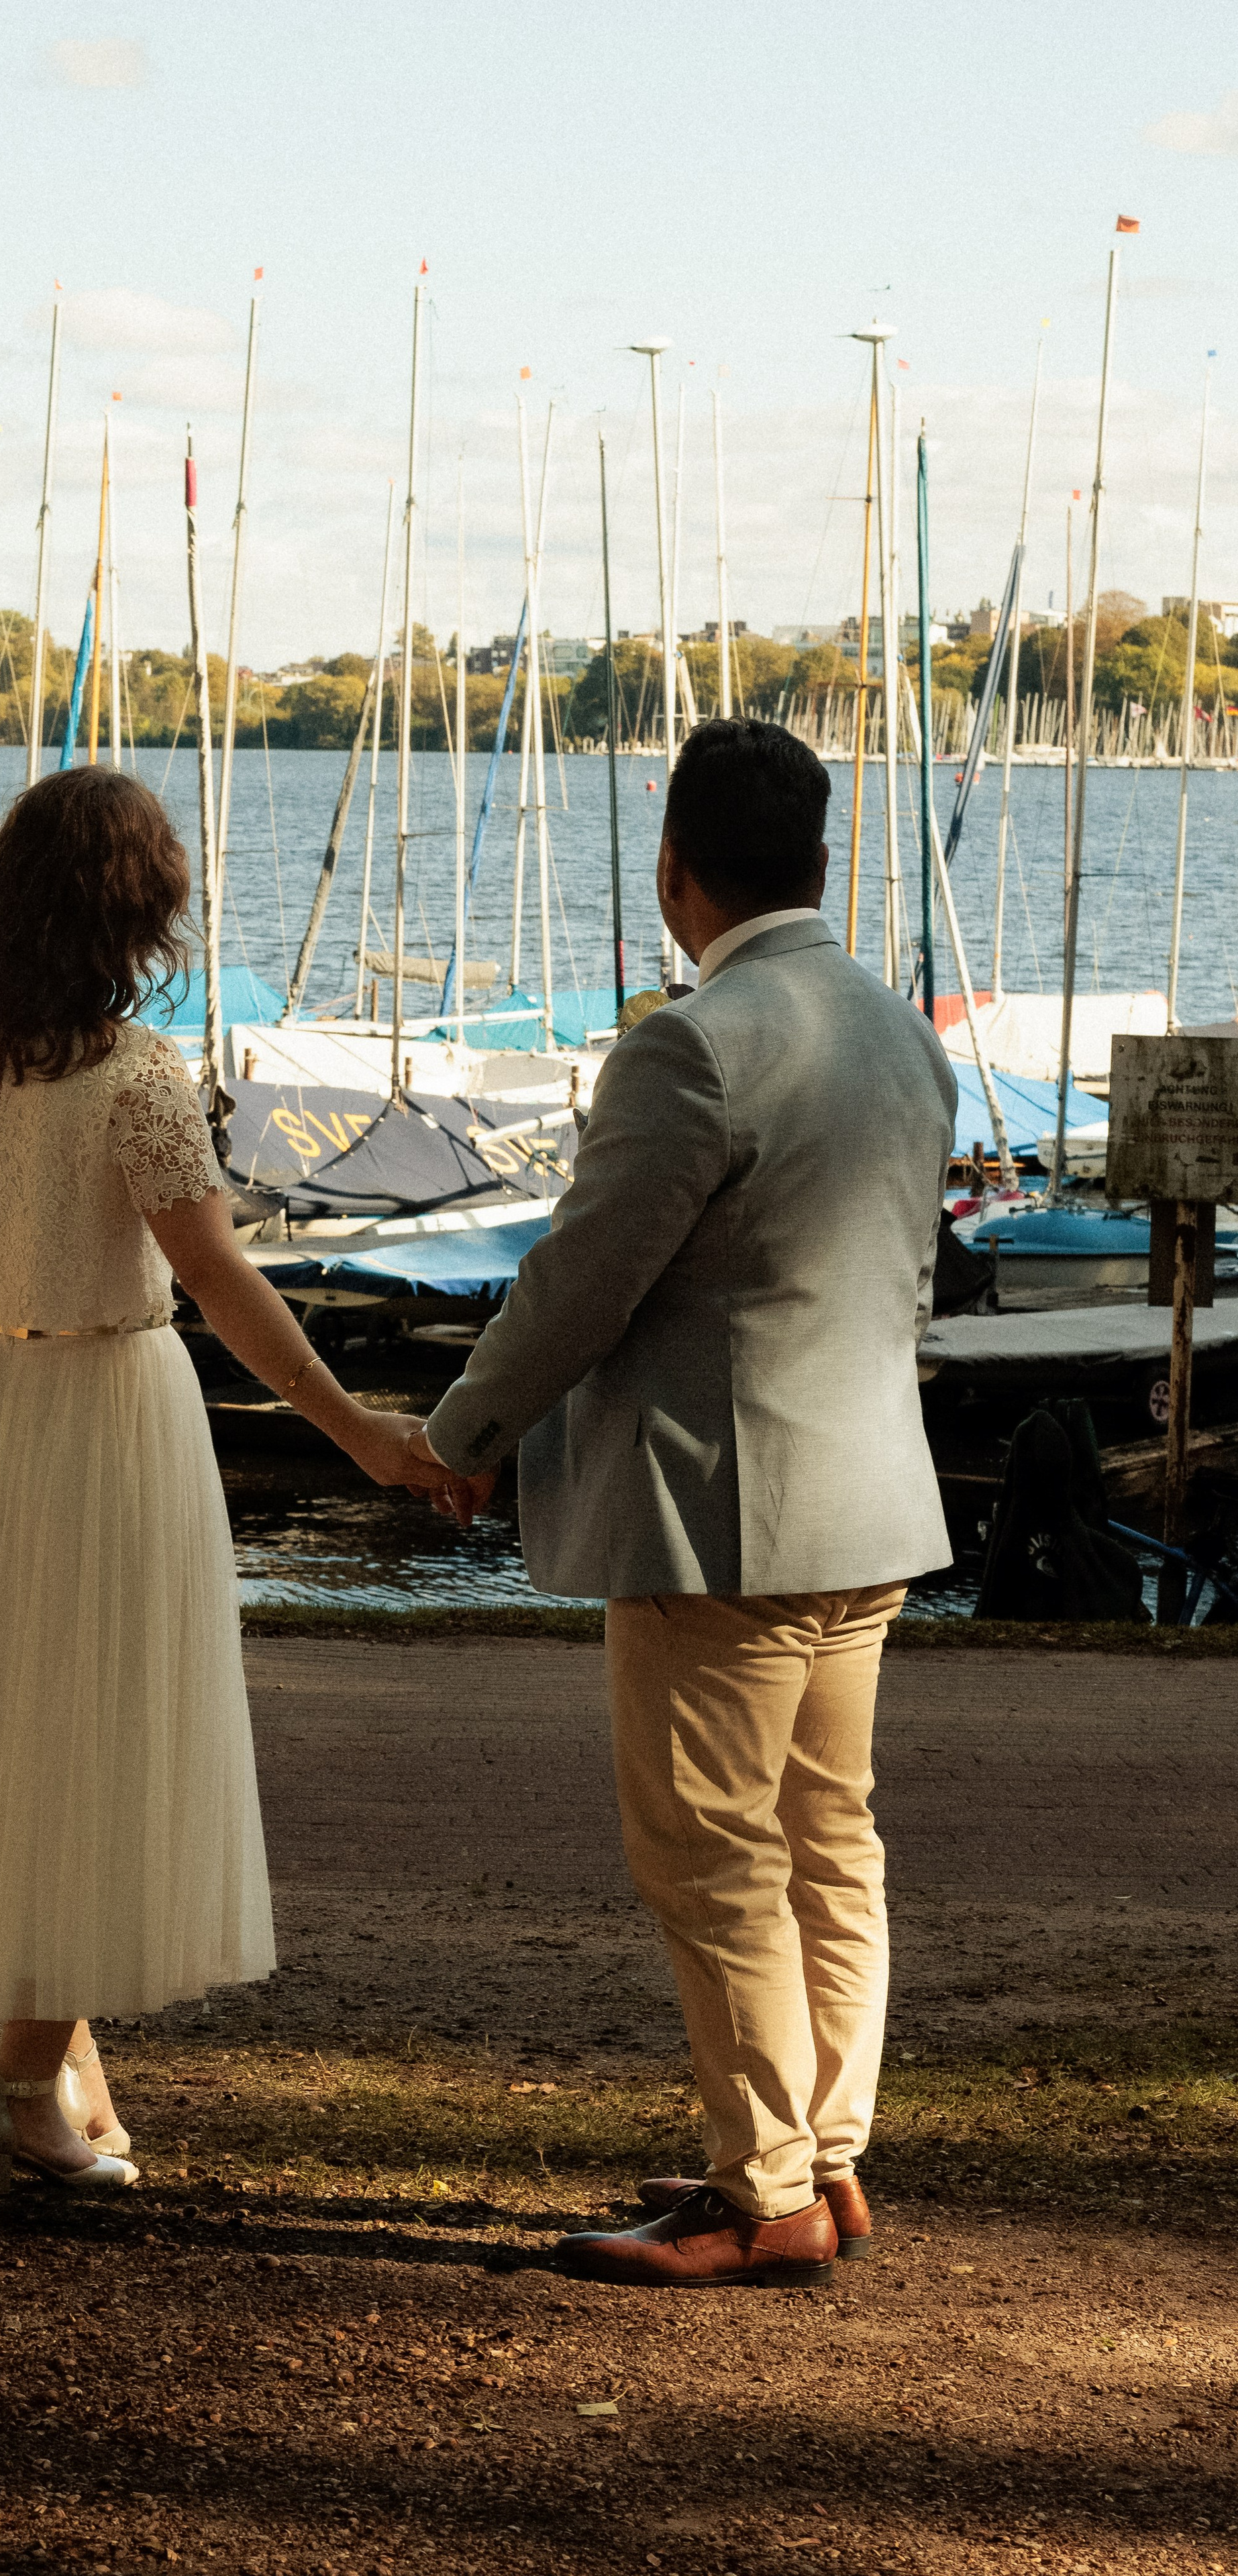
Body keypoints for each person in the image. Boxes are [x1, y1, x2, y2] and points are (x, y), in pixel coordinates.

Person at [408, 718, 956, 2288]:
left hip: (723, 1515)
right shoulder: (894, 1031)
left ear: (673, 866)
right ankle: (821, 2152)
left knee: (710, 1854)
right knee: (825, 1845)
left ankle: (762, 2188)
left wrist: (462, 1429)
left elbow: (582, 1277)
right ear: (818, 854)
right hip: (866, 1502)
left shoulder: (693, 1044)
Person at [0, 765, 450, 2197]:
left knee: (25, 1743)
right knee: (106, 1736)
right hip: (110, 1413)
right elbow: (215, 1279)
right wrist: (356, 1428)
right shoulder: (132, 1080)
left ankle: (63, 2071)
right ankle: (21, 2089)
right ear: (136, 909)